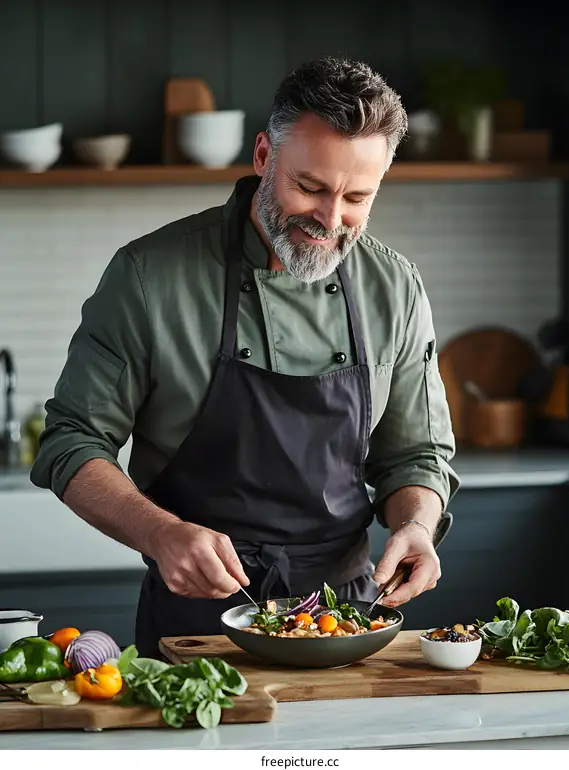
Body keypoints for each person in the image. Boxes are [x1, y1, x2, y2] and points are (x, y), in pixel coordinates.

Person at [31, 57, 460, 655]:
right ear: (263, 156)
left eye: (357, 197)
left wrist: (416, 525)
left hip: (346, 622)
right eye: (310, 187)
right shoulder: (149, 276)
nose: (330, 219)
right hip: (194, 626)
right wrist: (160, 533)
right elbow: (72, 441)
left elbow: (416, 454)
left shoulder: (396, 287)